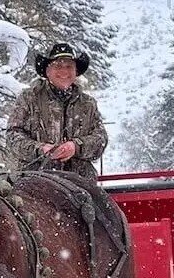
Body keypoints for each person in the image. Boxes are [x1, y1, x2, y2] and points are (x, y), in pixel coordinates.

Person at [7, 43, 107, 179]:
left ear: (76, 71)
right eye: (58, 66)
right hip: (34, 181)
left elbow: (100, 139)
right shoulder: (28, 98)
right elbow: (13, 137)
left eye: (69, 66)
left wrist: (75, 147)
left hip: (81, 183)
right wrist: (40, 150)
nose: (64, 71)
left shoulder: (88, 104)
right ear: (47, 71)